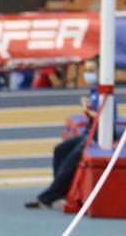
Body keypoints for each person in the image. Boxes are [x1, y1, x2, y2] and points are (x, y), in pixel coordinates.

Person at [26, 59, 103, 209]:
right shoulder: (94, 91)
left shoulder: (103, 92)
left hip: (96, 136)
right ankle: (59, 190)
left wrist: (87, 110)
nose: (88, 74)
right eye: (86, 70)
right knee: (60, 150)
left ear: (99, 72)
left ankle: (46, 198)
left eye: (91, 70)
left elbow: (105, 118)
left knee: (70, 160)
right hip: (88, 132)